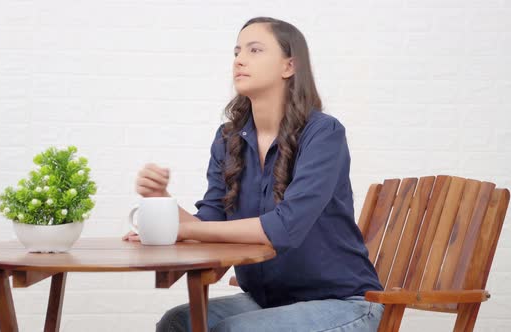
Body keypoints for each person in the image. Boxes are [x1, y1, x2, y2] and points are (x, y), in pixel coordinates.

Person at [123, 16, 384, 332]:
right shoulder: (228, 139)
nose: (240, 60)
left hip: (344, 302)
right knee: (178, 322)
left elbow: (283, 227)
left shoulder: (323, 134)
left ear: (289, 66)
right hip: (271, 301)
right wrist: (162, 207)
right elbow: (210, 223)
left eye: (255, 50)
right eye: (236, 52)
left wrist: (179, 229)